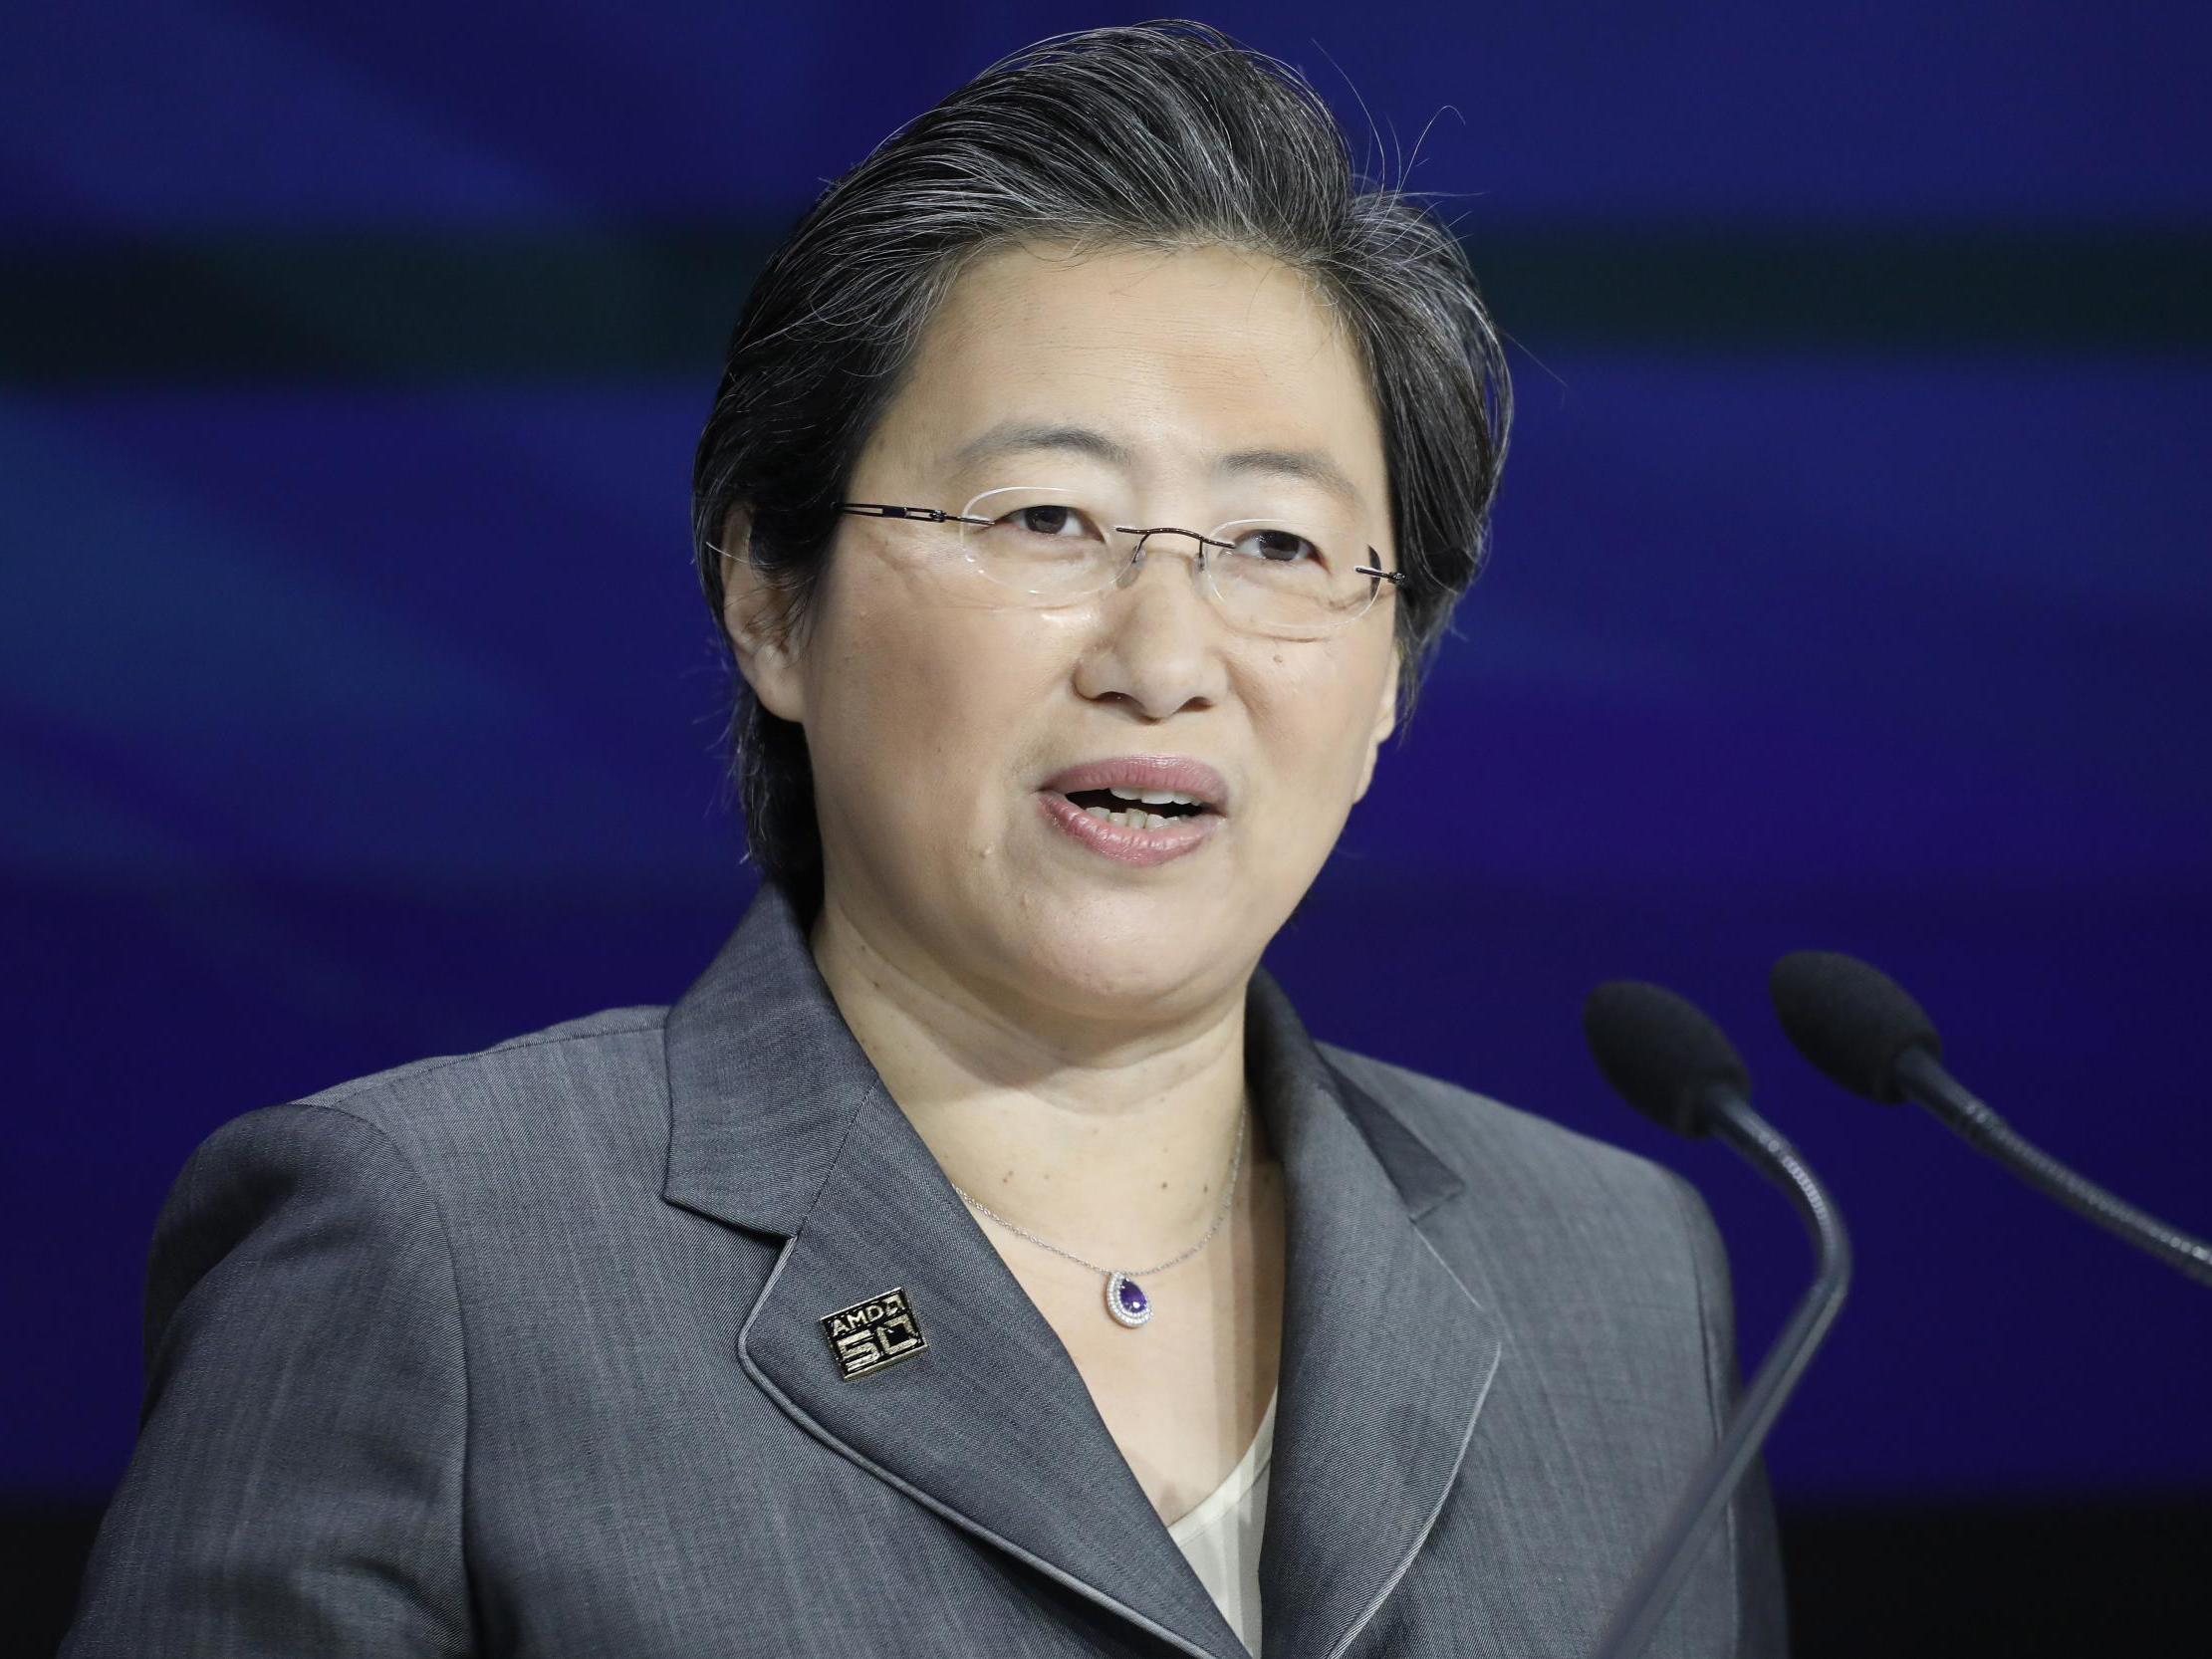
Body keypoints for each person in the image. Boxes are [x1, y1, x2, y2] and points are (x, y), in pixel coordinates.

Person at [62, 20, 1785, 1659]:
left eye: (1273, 544)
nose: (1163, 660)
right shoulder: (439, 1249)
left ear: (1393, 668)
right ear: (768, 599)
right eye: (1046, 517)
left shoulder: (1616, 1279)